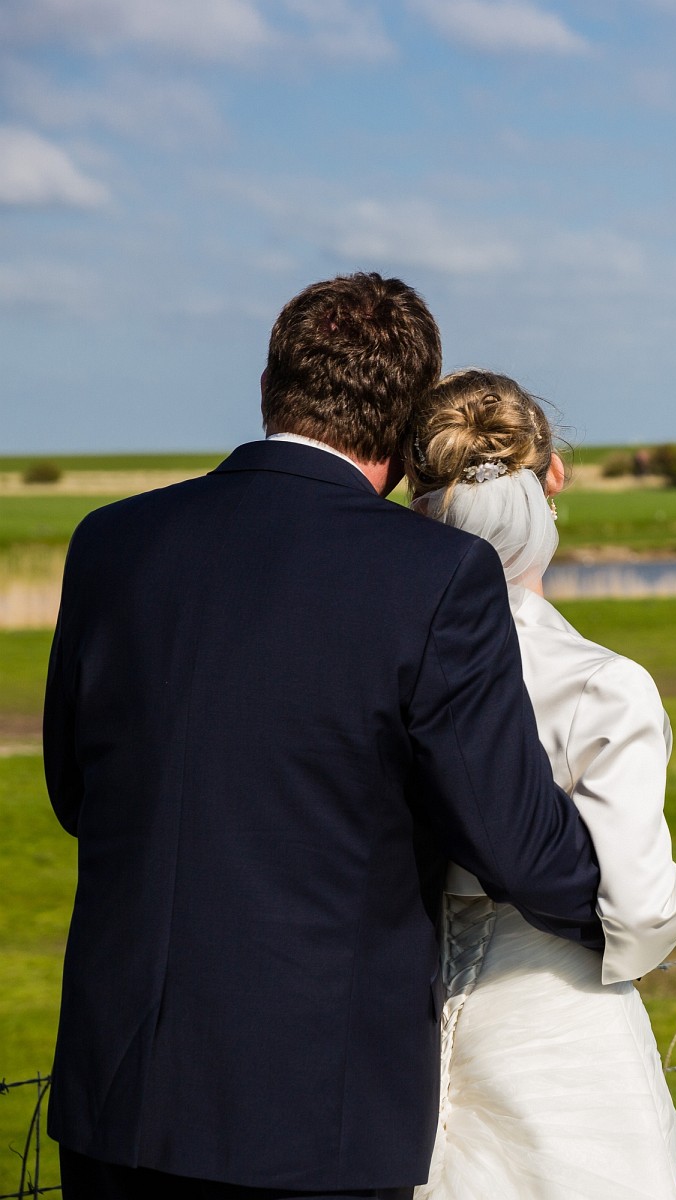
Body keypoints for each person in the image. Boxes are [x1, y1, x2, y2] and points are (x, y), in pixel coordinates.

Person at [43, 275, 607, 1199]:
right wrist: (632, 908)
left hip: (117, 1100)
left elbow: (76, 793)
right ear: (403, 421)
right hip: (311, 1117)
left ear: (270, 387)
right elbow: (517, 844)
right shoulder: (435, 575)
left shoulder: (112, 541)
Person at [405, 371, 676, 1200]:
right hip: (560, 1020)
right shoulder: (605, 685)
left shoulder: (388, 670)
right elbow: (637, 908)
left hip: (405, 1028)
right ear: (554, 476)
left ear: (422, 500)